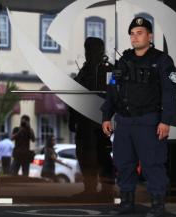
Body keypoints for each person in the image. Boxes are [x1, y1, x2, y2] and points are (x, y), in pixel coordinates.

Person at [101, 17, 176, 217]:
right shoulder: (124, 60)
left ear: (150, 36)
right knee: (124, 163)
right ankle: (127, 203)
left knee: (152, 164)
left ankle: (157, 205)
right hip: (125, 122)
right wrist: (107, 116)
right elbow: (112, 89)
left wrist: (166, 120)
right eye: (132, 34)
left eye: (140, 33)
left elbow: (170, 92)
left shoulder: (162, 61)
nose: (135, 37)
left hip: (149, 122)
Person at [68, 37, 114, 195]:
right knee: (84, 155)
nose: (88, 53)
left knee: (102, 154)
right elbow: (75, 96)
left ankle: (107, 189)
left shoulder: (108, 70)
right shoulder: (84, 71)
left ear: (100, 51)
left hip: (100, 121)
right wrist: (72, 118)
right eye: (87, 49)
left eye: (92, 49)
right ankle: (89, 188)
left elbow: (114, 94)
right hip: (84, 122)